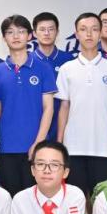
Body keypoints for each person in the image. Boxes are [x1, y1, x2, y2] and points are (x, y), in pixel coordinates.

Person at [56, 12, 107, 199]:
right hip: (73, 148)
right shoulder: (67, 68)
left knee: (104, 202)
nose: (89, 34)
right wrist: (60, 143)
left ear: (100, 33)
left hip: (105, 148)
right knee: (75, 201)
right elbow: (64, 107)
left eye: (94, 29)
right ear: (76, 34)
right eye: (83, 29)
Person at [0, 14, 57, 194]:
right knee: (10, 197)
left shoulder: (43, 68)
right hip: (5, 148)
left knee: (35, 198)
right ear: (4, 38)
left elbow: (49, 108)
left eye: (21, 31)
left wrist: (39, 142)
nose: (16, 36)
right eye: (10, 32)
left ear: (29, 36)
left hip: (35, 147)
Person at [32, 11, 74, 140]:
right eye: (42, 29)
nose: (46, 33)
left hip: (64, 123)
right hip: (35, 124)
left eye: (51, 29)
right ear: (34, 33)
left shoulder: (68, 60)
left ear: (57, 32)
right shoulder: (28, 60)